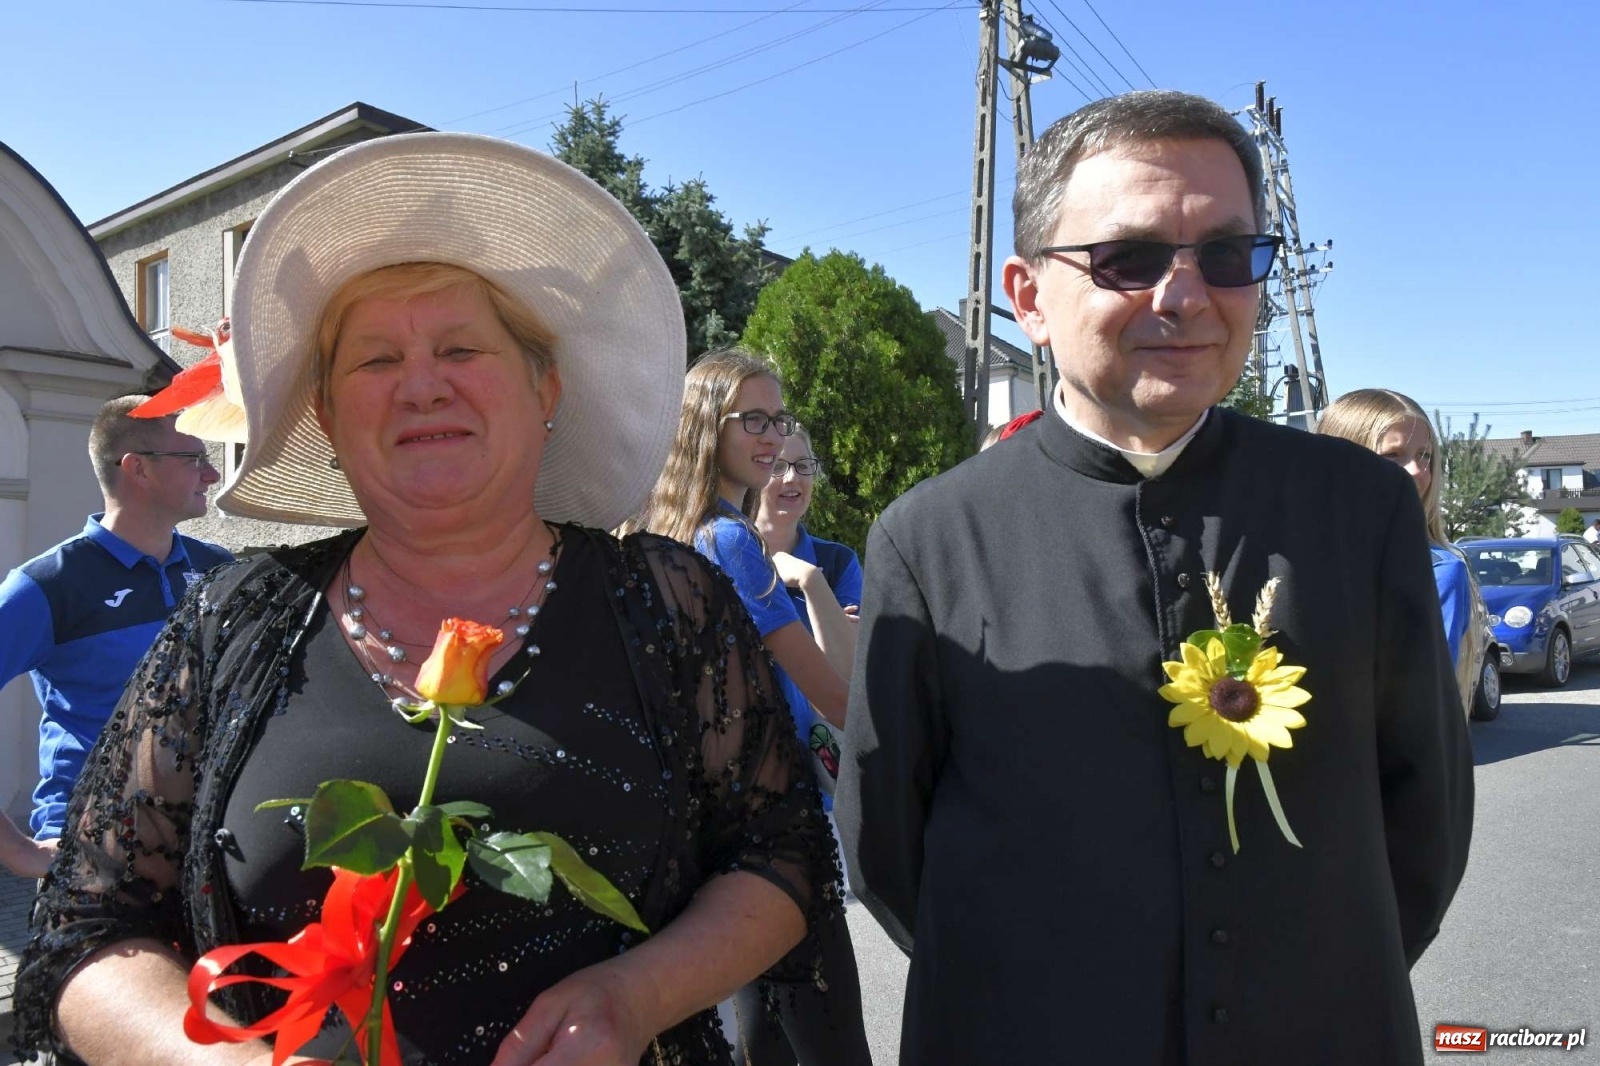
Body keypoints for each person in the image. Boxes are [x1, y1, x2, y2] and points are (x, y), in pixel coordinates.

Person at [16, 133, 837, 1066]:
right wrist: (215, 1060)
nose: (420, 384)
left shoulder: (668, 602)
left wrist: (634, 997)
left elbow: (780, 854)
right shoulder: (233, 619)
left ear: (545, 388)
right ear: (326, 415)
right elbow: (89, 924)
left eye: (460, 347)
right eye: (373, 361)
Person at [837, 90, 1474, 1066]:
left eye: (1226, 255)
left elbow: (1422, 818)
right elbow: (892, 852)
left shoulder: (1359, 511)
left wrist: (1311, 976)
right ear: (1026, 295)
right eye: (1127, 259)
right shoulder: (928, 538)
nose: (1184, 296)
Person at [634, 352, 870, 1066]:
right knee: (833, 1043)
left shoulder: (664, 526)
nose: (773, 438)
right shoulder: (731, 540)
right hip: (769, 827)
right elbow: (831, 693)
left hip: (700, 827)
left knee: (763, 1036)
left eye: (780, 419)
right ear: (710, 424)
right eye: (755, 421)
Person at [0, 397, 230, 878]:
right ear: (138, 470)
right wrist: (18, 851)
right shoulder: (46, 585)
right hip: (94, 855)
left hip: (208, 845)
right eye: (194, 459)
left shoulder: (219, 570)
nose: (210, 475)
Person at [1318, 389, 1492, 717]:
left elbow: (1414, 709)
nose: (1417, 470)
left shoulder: (1437, 570)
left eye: (1425, 455)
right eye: (1393, 456)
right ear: (1338, 461)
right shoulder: (1291, 558)